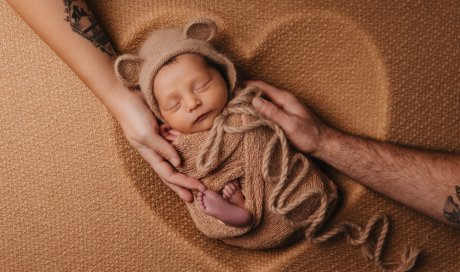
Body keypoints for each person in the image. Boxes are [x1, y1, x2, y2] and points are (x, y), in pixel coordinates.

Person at [6, 0, 459, 230]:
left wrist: (313, 144)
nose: (194, 103)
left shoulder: (244, 107)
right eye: (175, 104)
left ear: (225, 75)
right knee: (202, 195)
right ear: (161, 116)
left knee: (292, 181)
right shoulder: (173, 133)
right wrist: (122, 100)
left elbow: (272, 140)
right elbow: (191, 162)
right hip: (225, 182)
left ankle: (273, 203)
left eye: (202, 86)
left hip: (269, 166)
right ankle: (235, 213)